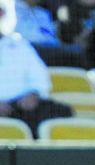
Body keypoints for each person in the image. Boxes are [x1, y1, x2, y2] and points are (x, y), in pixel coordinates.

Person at [0, 4, 72, 136]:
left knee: (61, 111)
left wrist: (34, 93)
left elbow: (40, 77)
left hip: (21, 109)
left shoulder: (19, 44)